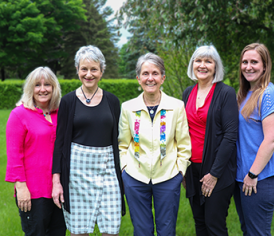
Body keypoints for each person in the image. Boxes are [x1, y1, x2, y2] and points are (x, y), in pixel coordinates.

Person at [51, 45, 125, 236]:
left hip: (108, 171)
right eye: (84, 69)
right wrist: (56, 180)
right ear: (77, 70)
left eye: (94, 69)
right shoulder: (68, 102)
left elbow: (118, 139)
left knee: (111, 230)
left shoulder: (113, 101)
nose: (89, 74)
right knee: (80, 231)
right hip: (77, 175)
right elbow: (59, 143)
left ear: (101, 71)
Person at [118, 52, 191, 236]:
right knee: (142, 231)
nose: (150, 78)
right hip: (135, 177)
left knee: (166, 231)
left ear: (163, 77)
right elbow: (122, 144)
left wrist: (179, 171)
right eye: (145, 73)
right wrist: (125, 169)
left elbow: (183, 143)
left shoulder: (176, 106)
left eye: (155, 73)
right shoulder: (128, 107)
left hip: (167, 177)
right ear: (138, 78)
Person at [182, 45, 239, 236]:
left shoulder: (225, 93)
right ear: (192, 64)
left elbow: (231, 136)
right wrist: (182, 169)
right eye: (198, 60)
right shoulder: (187, 93)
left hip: (218, 171)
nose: (202, 65)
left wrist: (214, 174)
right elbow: (182, 132)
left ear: (216, 66)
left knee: (214, 225)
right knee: (199, 223)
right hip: (193, 169)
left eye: (208, 61)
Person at [5, 67, 66, 236]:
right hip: (33, 190)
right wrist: (21, 187)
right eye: (37, 85)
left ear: (54, 88)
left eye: (47, 84)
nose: (43, 89)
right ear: (30, 88)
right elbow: (13, 155)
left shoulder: (60, 113)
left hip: (59, 188)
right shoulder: (19, 115)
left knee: (58, 232)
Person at [234, 43, 274, 235]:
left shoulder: (270, 94)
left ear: (265, 66)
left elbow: (273, 138)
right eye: (244, 62)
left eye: (254, 62)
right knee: (249, 231)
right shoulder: (243, 95)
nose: (248, 66)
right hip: (244, 178)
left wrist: (253, 174)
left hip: (261, 179)